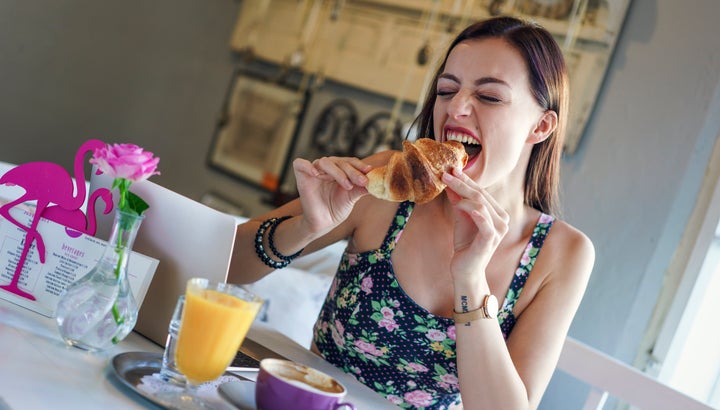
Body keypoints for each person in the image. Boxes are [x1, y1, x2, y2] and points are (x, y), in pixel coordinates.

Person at [231, 16, 595, 410]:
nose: (456, 108)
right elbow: (223, 265)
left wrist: (470, 278)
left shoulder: (563, 254)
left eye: (489, 97)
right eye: (446, 89)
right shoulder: (388, 183)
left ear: (541, 126)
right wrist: (306, 227)